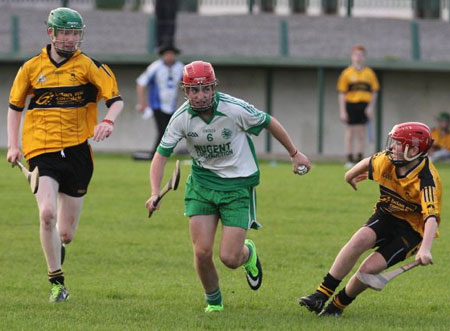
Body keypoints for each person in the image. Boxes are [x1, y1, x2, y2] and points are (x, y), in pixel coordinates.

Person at [145, 61, 311, 312]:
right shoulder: (180, 118)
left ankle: (248, 254)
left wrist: (294, 153)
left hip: (237, 187)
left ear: (214, 88)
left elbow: (268, 122)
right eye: (194, 90)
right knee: (201, 252)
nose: (200, 96)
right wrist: (155, 192)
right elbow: (160, 156)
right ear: (185, 91)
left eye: (205, 89)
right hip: (201, 185)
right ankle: (214, 303)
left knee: (230, 258)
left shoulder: (234, 109)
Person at [6, 7, 123, 302]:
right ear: (52, 34)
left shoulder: (90, 67)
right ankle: (57, 282)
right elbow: (15, 108)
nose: (71, 39)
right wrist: (13, 144)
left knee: (66, 234)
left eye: (75, 33)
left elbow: (116, 100)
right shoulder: (31, 68)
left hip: (78, 152)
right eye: (65, 33)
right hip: (41, 148)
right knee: (46, 213)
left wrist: (108, 121)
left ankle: (59, 247)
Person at [299, 122, 441, 317]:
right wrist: (350, 176)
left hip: (412, 230)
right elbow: (368, 161)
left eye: (398, 143)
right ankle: (320, 294)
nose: (392, 147)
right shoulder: (389, 160)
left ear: (414, 149)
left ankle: (336, 307)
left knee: (370, 268)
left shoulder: (427, 180)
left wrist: (425, 249)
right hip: (387, 214)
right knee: (359, 239)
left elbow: (431, 217)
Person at [133, 44, 184, 160]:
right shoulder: (155, 67)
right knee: (163, 131)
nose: (170, 56)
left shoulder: (180, 67)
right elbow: (141, 83)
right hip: (157, 105)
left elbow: (185, 83)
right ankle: (156, 155)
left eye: (172, 54)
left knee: (169, 131)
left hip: (171, 105)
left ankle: (158, 154)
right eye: (167, 54)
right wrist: (142, 103)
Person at [337, 45, 379, 168]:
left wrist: (371, 107)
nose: (358, 57)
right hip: (350, 105)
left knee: (361, 133)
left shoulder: (369, 73)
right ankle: (349, 158)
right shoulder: (346, 73)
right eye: (356, 55)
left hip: (364, 105)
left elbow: (374, 92)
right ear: (352, 56)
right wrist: (342, 111)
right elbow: (341, 94)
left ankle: (360, 159)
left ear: (364, 57)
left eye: (361, 55)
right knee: (350, 132)